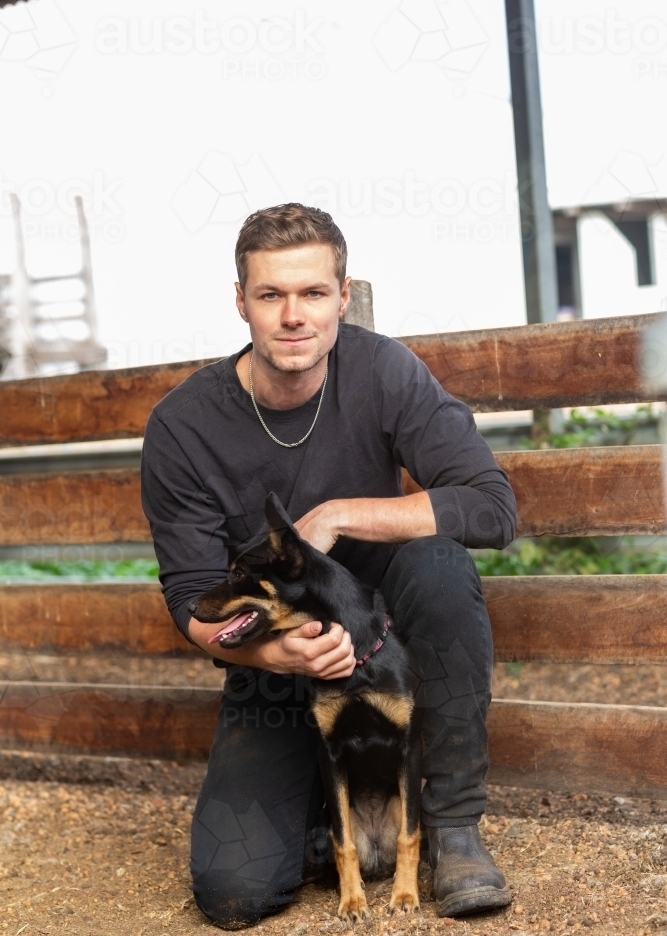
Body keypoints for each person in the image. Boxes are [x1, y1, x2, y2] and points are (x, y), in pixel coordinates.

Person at [141, 203, 517, 928]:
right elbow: (189, 598)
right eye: (270, 294)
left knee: (439, 565)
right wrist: (272, 652)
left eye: (313, 293)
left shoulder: (385, 371)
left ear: (342, 297)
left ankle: (453, 827)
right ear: (240, 301)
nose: (293, 316)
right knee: (233, 894)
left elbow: (490, 506)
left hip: (388, 632)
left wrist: (341, 514)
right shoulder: (183, 425)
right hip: (277, 653)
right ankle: (320, 804)